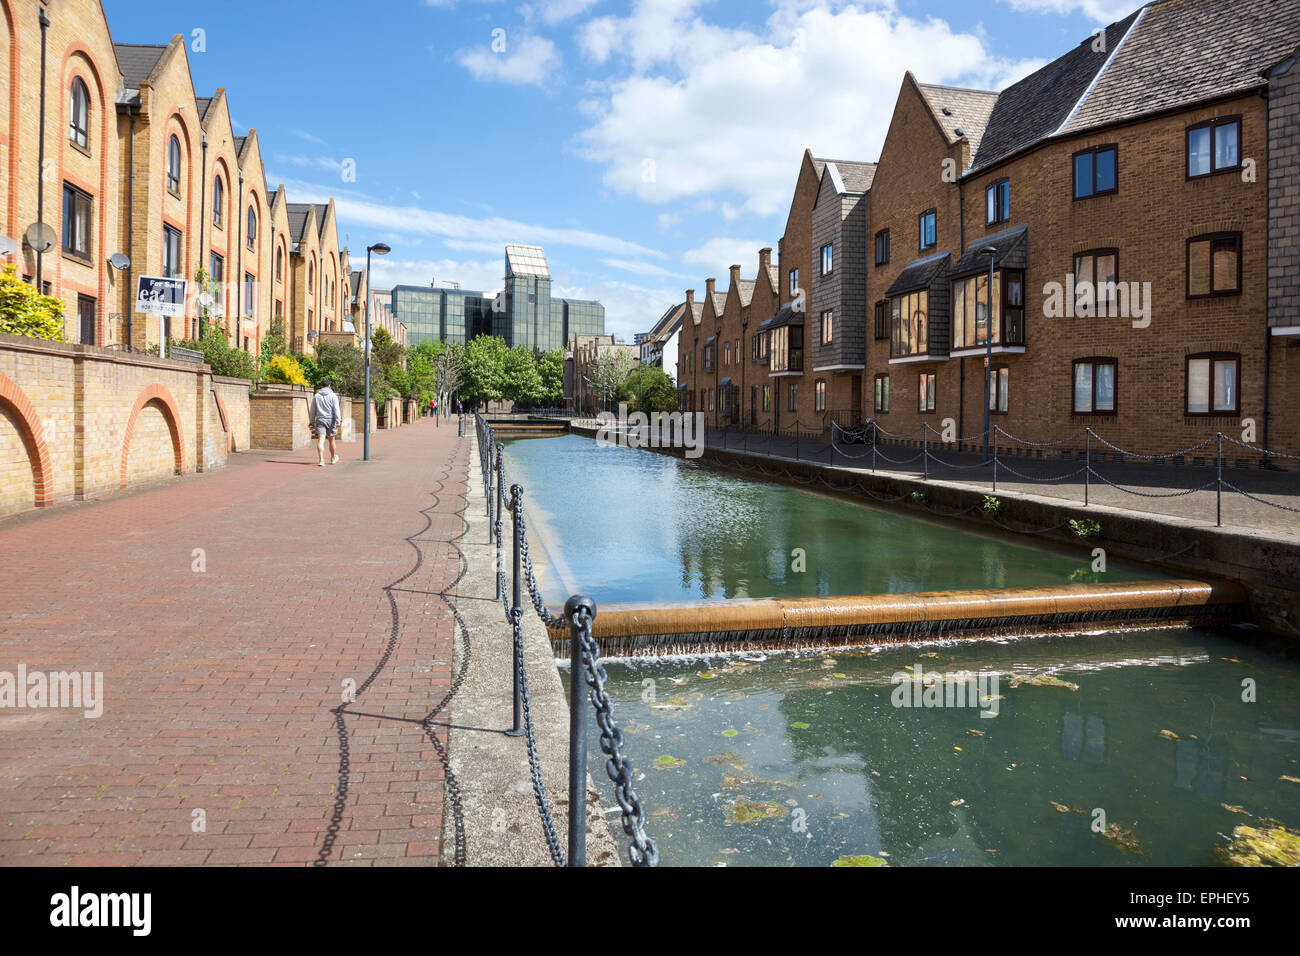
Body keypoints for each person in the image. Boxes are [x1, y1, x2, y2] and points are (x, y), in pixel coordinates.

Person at [311, 377, 342, 466]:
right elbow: (336, 409)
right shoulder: (333, 396)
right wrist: (338, 420)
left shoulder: (316, 396)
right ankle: (332, 458)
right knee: (331, 440)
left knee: (321, 440)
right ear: (329, 386)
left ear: (321, 386)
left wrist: (311, 421)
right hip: (331, 420)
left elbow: (313, 409)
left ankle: (321, 460)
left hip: (320, 419)